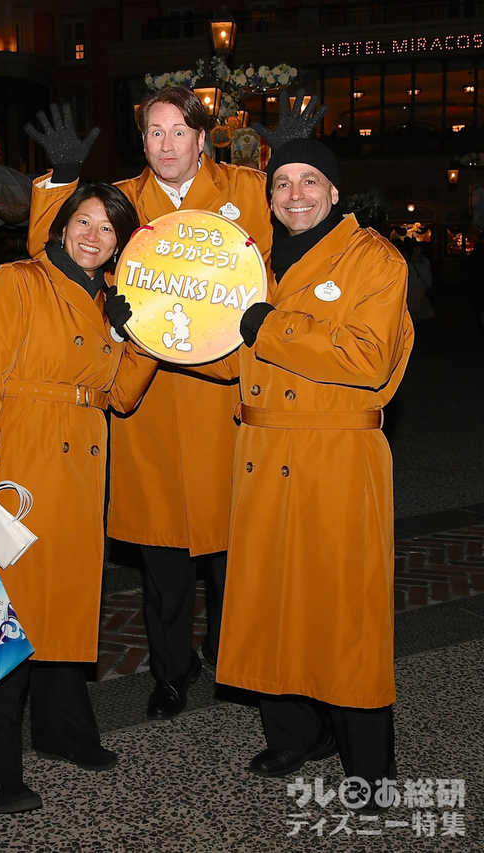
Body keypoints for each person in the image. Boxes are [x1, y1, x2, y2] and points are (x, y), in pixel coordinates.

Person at [25, 91, 323, 721]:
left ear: (203, 137)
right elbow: (54, 249)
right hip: (150, 400)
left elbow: (304, 231)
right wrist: (61, 181)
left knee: (233, 552)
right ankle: (169, 672)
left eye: (179, 132)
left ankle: (232, 657)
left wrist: (286, 159)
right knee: (163, 559)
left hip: (228, 400)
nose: (166, 145)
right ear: (144, 142)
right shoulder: (124, 201)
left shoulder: (248, 188)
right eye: (154, 133)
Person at [190, 138, 413, 813]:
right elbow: (231, 356)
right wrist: (156, 332)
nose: (294, 194)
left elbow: (367, 358)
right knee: (271, 603)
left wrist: (271, 325)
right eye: (282, 182)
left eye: (310, 180)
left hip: (336, 458)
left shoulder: (374, 258)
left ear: (335, 191)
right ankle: (294, 733)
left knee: (343, 612)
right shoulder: (252, 264)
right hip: (262, 455)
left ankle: (368, 767)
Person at [0, 183, 157, 814]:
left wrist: (135, 339)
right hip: (23, 462)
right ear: (61, 225)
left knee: (66, 602)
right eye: (83, 221)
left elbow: (121, 397)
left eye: (108, 228)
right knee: (4, 613)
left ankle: (65, 733)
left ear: (120, 242)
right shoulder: (18, 281)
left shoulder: (107, 305)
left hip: (82, 464)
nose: (93, 236)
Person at [405, 239, 434, 321]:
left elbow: (428, 273)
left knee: (419, 304)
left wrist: (428, 285)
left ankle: (418, 319)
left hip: (420, 286)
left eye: (419, 248)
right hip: (411, 286)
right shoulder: (409, 261)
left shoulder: (425, 262)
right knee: (412, 304)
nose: (417, 250)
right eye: (416, 248)